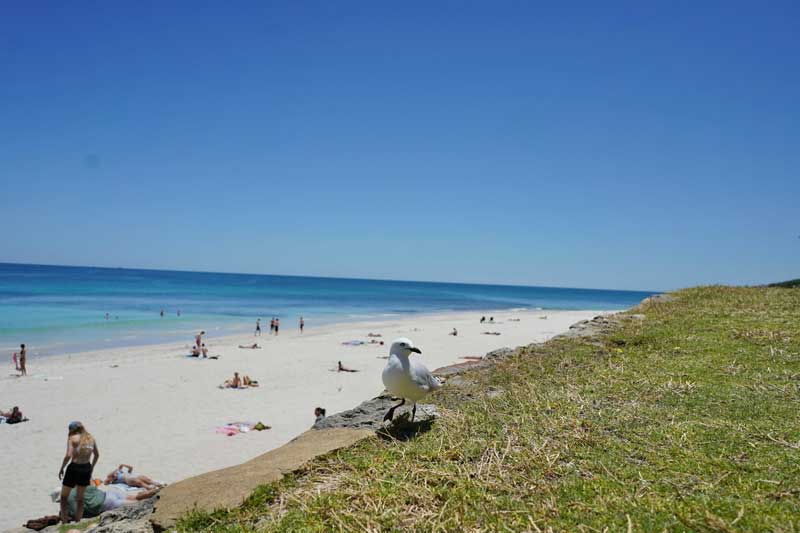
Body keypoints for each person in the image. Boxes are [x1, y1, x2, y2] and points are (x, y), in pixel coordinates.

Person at [58, 421, 100, 524]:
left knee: (64, 497)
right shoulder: (91, 438)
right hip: (86, 468)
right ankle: (78, 521)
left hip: (74, 468)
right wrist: (92, 467)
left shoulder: (72, 438)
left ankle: (64, 522)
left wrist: (62, 468)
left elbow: (68, 455)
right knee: (80, 498)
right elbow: (97, 455)